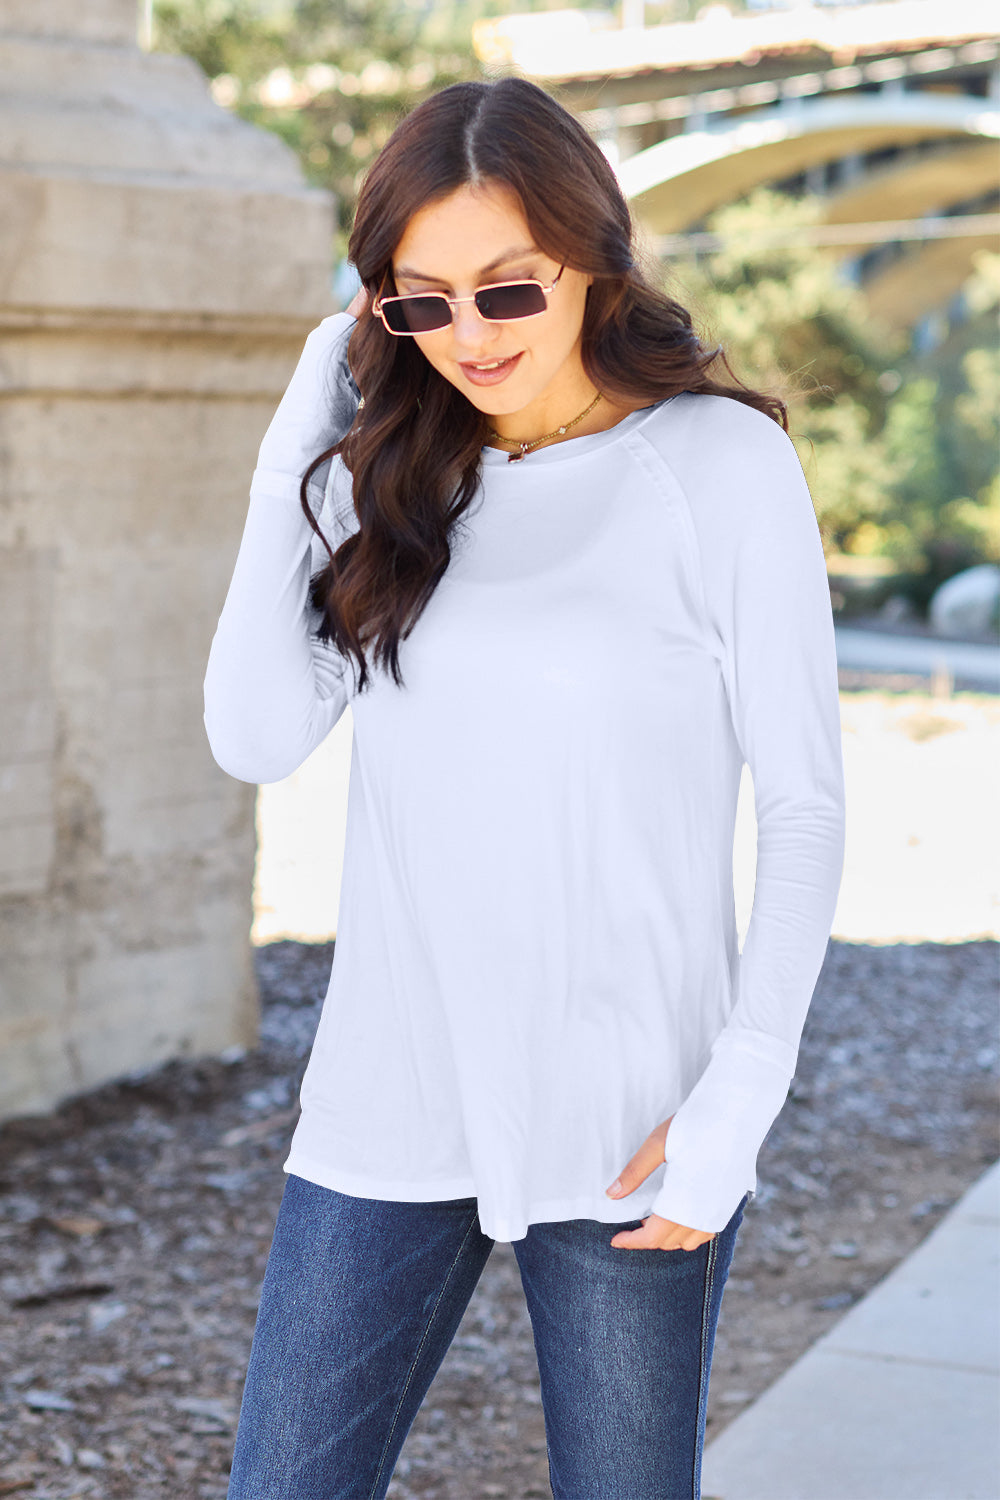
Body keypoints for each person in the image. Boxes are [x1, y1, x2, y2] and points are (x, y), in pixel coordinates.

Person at [203, 76, 846, 1500]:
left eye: (507, 291)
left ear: (592, 255)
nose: (468, 339)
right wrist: (291, 451)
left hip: (629, 1111)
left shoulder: (718, 467)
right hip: (389, 1093)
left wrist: (742, 1086)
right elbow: (252, 736)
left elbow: (805, 800)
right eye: (419, 304)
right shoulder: (383, 480)